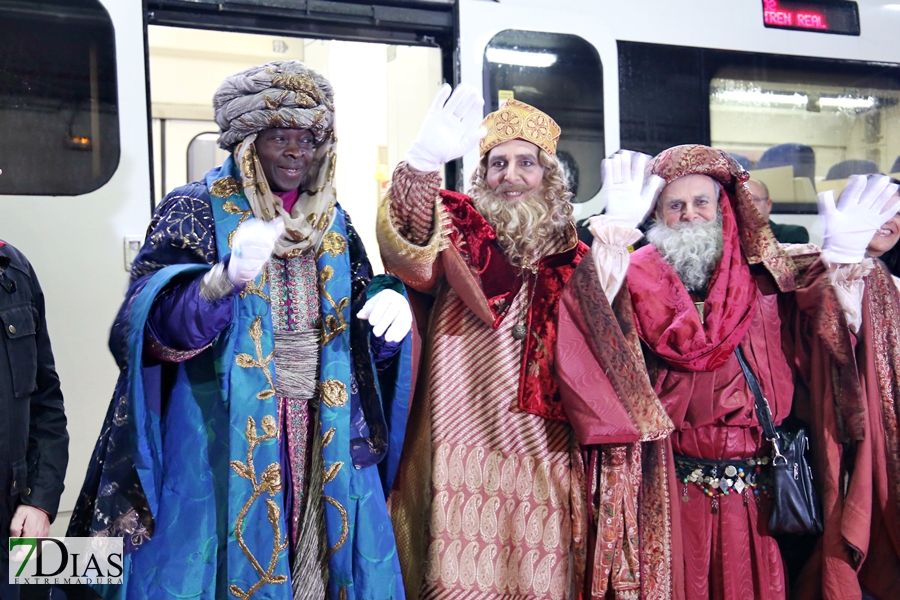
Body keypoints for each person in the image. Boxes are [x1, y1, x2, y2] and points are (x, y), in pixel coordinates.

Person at [67, 61, 413, 600]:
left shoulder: (337, 223)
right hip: (218, 427)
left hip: (325, 428)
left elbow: (363, 342)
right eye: (281, 137)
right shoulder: (195, 207)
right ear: (249, 143)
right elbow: (143, 325)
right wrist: (217, 284)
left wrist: (390, 314)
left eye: (308, 138)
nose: (297, 152)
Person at [555, 145, 899, 600]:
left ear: (724, 210)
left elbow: (831, 347)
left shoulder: (770, 279)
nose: (690, 215)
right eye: (675, 205)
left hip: (760, 500)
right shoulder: (630, 276)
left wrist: (843, 263)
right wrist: (612, 241)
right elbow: (590, 332)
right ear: (656, 213)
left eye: (702, 203)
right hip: (669, 492)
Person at [377, 86, 589, 598]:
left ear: (549, 176)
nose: (510, 176)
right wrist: (422, 163)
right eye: (497, 164)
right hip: (459, 432)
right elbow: (407, 243)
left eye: (525, 163)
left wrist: (621, 243)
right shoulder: (457, 231)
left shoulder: (580, 256)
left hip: (545, 446)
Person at [793, 176, 900, 600]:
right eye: (878, 209)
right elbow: (826, 340)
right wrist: (841, 263)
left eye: (897, 212)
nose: (889, 221)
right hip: (849, 436)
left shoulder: (891, 283)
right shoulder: (820, 267)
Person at [0, 235, 68, 600]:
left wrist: (40, 500)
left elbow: (47, 404)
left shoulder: (14, 269)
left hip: (14, 521)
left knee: (108, 572)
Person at [747, 178, 810, 243]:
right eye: (743, 201)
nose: (748, 206)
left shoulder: (793, 234)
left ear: (768, 205)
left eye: (755, 200)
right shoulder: (736, 241)